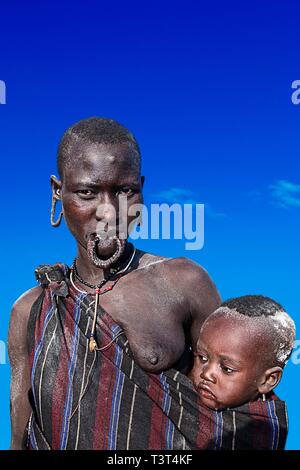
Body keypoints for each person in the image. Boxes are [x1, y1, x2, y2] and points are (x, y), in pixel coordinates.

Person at [8, 117, 221, 450]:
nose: (109, 212)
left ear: (141, 189)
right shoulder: (30, 311)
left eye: (125, 190)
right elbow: (20, 432)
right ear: (58, 192)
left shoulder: (185, 284)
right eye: (87, 192)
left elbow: (233, 412)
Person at [189, 295, 296, 410]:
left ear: (267, 380)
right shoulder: (174, 390)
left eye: (227, 369)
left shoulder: (262, 424)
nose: (206, 374)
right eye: (202, 358)